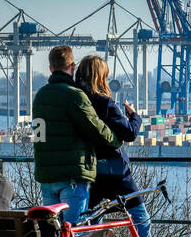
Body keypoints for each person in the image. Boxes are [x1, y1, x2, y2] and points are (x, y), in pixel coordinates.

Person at [73, 56, 151, 237]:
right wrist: (134, 116)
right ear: (101, 76)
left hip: (90, 170)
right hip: (116, 172)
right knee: (140, 216)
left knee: (91, 226)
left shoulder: (76, 101)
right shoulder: (105, 102)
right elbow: (129, 133)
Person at [31, 45, 123, 225]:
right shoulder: (75, 96)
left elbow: (39, 135)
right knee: (74, 235)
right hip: (72, 176)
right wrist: (117, 140)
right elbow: (96, 129)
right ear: (72, 66)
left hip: (46, 175)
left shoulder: (40, 96)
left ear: (51, 68)